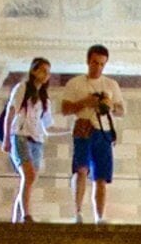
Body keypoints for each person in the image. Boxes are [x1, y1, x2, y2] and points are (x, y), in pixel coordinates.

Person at [54, 44, 127, 224]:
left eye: (102, 64)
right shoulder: (75, 83)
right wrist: (85, 102)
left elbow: (121, 110)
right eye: (95, 62)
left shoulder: (111, 84)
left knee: (101, 176)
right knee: (81, 169)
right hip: (84, 127)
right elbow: (64, 109)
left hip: (104, 130)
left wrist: (109, 104)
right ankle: (77, 212)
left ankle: (99, 216)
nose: (98, 67)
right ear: (88, 61)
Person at [0, 58, 53, 223]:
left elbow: (48, 126)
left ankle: (17, 218)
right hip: (20, 136)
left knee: (30, 179)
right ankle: (26, 216)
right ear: (34, 71)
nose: (46, 75)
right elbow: (11, 113)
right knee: (29, 175)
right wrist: (6, 139)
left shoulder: (44, 99)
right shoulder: (22, 88)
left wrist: (72, 129)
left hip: (37, 140)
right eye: (43, 71)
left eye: (48, 72)